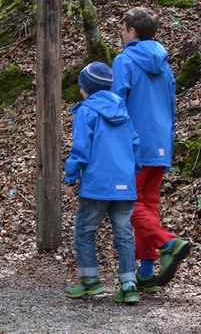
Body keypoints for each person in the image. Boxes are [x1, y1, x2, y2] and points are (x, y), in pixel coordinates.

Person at [111, 7, 190, 291]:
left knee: (126, 203)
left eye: (123, 28)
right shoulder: (164, 65)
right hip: (160, 144)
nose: (120, 34)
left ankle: (168, 242)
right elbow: (172, 106)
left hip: (134, 143)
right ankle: (145, 272)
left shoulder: (124, 61)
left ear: (132, 31)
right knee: (148, 205)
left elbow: (118, 103)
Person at [63, 62, 141, 304]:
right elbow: (135, 144)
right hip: (124, 183)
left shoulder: (86, 111)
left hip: (97, 183)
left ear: (86, 89)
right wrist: (130, 172)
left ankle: (90, 281)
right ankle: (129, 285)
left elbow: (81, 148)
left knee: (85, 230)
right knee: (124, 234)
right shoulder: (123, 111)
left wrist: (70, 176)